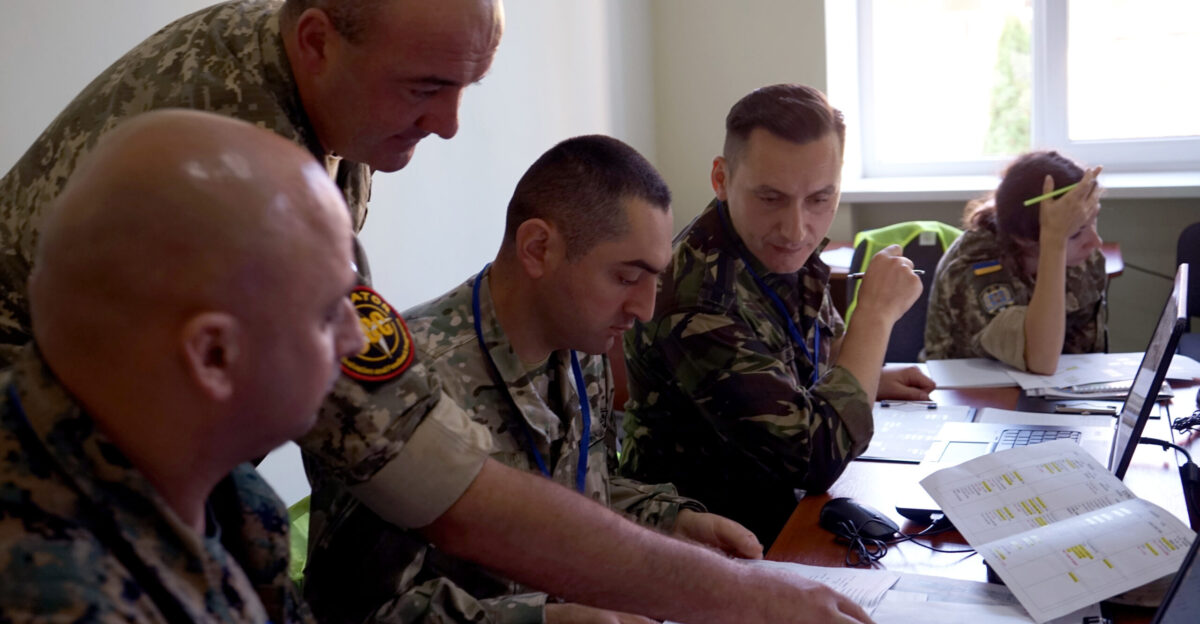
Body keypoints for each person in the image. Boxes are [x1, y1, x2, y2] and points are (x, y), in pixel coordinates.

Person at [0, 5, 875, 623]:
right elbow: (421, 485)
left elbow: (571, 484)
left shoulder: (247, 520)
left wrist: (664, 525)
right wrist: (739, 598)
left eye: (466, 85)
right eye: (425, 85)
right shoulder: (63, 583)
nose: (452, 125)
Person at [308, 135, 763, 623]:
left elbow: (585, 490)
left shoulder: (581, 345)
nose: (646, 309)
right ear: (538, 248)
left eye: (656, 279)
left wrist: (672, 520)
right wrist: (545, 619)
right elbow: (356, 612)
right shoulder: (408, 384)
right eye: (627, 278)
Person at [0, 110, 364, 622]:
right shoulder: (52, 595)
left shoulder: (229, 495)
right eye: (328, 315)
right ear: (213, 356)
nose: (356, 338)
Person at [620, 84, 933, 545]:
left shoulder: (766, 244)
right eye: (770, 198)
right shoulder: (696, 299)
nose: (796, 229)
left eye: (820, 199)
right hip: (714, 541)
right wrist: (875, 316)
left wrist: (870, 377)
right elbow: (816, 460)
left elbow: (804, 351)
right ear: (721, 178)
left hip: (784, 514)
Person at [924, 151, 1105, 374]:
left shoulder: (1085, 257)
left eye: (1093, 221)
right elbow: (1040, 360)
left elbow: (1088, 355)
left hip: (1062, 386)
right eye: (1076, 233)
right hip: (971, 389)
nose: (1096, 242)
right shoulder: (973, 268)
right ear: (1024, 239)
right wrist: (1055, 240)